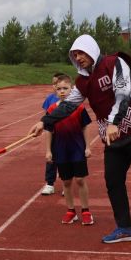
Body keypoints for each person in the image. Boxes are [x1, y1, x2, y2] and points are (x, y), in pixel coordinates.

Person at [28, 34, 131, 251]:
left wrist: (114, 121)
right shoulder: (82, 81)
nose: (78, 57)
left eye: (81, 52)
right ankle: (125, 228)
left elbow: (123, 93)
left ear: (91, 50)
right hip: (112, 137)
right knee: (113, 181)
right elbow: (68, 106)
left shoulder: (114, 63)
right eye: (74, 54)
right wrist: (44, 122)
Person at [44, 75, 94, 225]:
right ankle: (71, 211)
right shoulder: (52, 110)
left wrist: (88, 146)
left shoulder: (78, 108)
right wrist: (48, 150)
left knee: (80, 179)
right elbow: (48, 131)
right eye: (59, 89)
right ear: (55, 91)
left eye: (65, 88)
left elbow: (85, 127)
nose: (62, 91)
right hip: (61, 150)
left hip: (77, 149)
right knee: (66, 182)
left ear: (71, 89)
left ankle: (86, 211)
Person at [41, 72, 64, 195]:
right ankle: (50, 184)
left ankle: (67, 184)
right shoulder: (50, 99)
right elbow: (47, 117)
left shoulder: (70, 99)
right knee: (51, 158)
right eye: (53, 84)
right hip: (53, 134)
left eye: (57, 83)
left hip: (67, 134)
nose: (55, 86)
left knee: (66, 159)